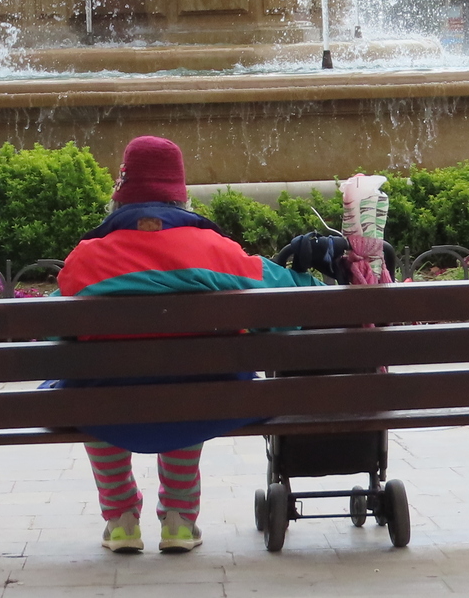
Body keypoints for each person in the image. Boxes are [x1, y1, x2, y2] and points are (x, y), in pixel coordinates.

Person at [56, 135, 340, 557]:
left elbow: (57, 334)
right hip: (203, 405)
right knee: (191, 385)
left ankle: (120, 520)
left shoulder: (86, 259)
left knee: (90, 387)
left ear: (120, 196)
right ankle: (178, 518)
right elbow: (291, 301)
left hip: (105, 410)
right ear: (181, 196)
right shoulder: (215, 251)